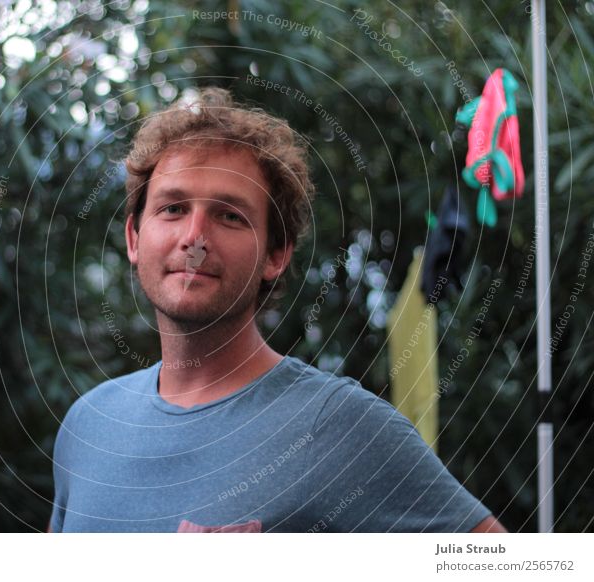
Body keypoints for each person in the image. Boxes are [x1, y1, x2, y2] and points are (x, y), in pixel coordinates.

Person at [48, 87, 507, 533]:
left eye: (230, 215)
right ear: (133, 238)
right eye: (172, 208)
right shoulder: (87, 425)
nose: (194, 237)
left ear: (276, 255)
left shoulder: (338, 427)